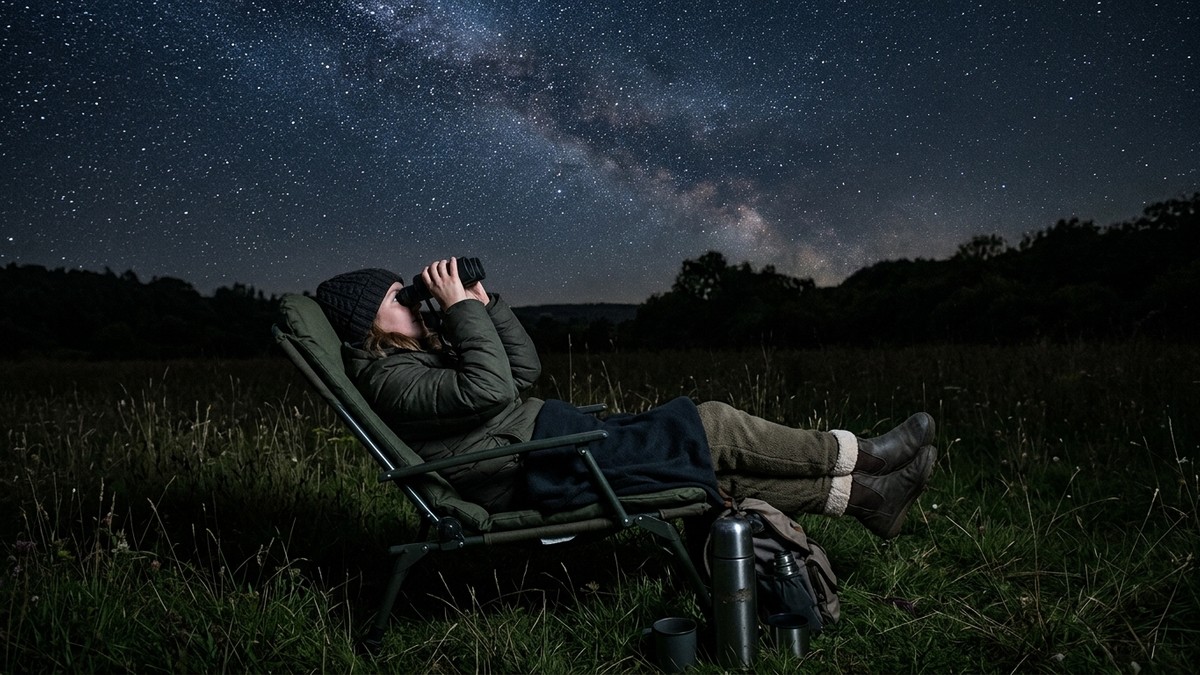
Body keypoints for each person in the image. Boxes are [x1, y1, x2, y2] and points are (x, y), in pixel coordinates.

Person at [315, 258, 937, 540]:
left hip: (547, 441)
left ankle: (861, 498)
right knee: (710, 425)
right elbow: (492, 388)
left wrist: (482, 306)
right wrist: (457, 315)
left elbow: (523, 370)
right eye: (398, 299)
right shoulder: (386, 381)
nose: (413, 303)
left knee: (703, 473)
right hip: (536, 468)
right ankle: (866, 456)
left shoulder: (420, 358)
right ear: (367, 325)